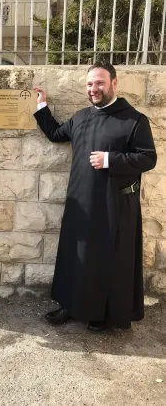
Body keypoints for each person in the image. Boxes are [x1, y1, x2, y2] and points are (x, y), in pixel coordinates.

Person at [33, 61, 157, 332]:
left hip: (113, 205)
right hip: (80, 201)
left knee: (105, 260)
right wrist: (42, 106)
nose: (94, 89)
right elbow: (55, 134)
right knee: (74, 255)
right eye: (90, 84)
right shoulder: (81, 117)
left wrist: (111, 159)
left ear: (114, 83)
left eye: (100, 82)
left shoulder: (134, 120)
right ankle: (69, 304)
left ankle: (103, 314)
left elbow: (148, 158)